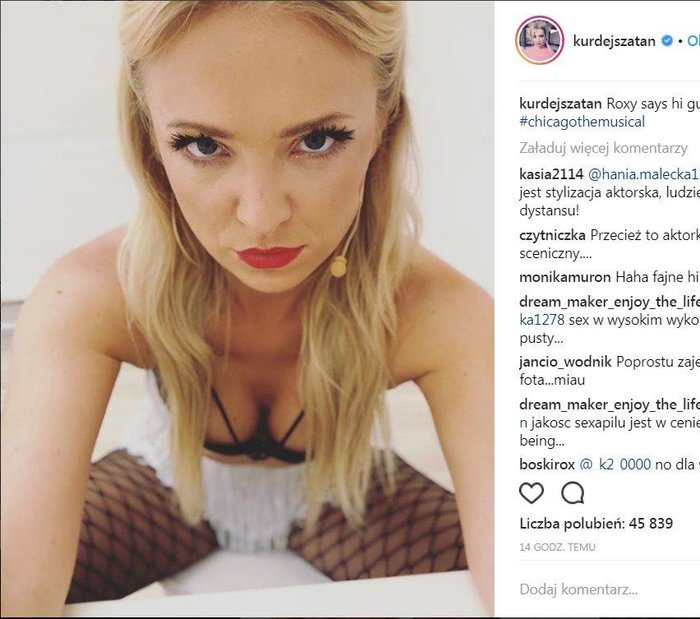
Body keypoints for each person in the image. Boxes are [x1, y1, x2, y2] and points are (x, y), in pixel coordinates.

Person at [0, 1, 493, 615]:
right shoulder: (92, 292)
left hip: (344, 491)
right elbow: (17, 583)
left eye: (316, 140)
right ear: (150, 138)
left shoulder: (440, 310)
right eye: (203, 145)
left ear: (384, 124)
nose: (261, 216)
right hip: (165, 485)